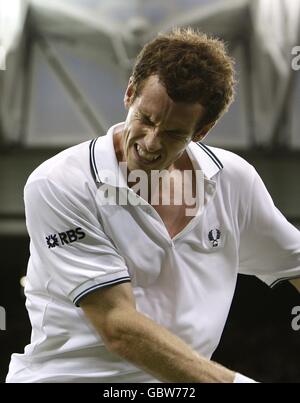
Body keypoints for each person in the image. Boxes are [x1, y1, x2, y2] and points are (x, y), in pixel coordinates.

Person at [6, 27, 300, 383]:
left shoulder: (234, 181)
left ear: (203, 131)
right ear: (130, 93)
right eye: (146, 119)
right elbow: (119, 327)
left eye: (174, 133)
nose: (150, 142)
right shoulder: (59, 183)